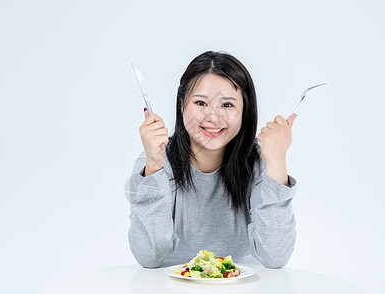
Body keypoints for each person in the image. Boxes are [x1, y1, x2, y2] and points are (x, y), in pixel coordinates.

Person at [125, 51, 297, 269]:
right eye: (200, 103)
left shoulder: (261, 161)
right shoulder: (156, 160)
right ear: (182, 105)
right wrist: (153, 166)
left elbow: (275, 257)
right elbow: (149, 257)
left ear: (245, 110)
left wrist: (277, 164)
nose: (213, 116)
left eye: (227, 105)